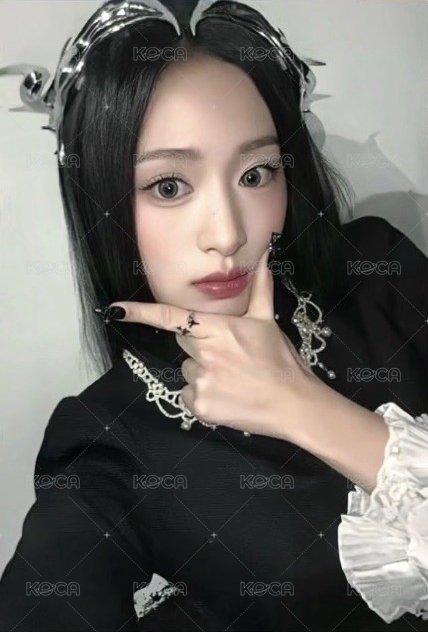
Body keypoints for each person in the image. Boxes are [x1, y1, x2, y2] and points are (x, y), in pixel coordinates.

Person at [0, 0, 427, 630]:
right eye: (169, 187)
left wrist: (300, 405)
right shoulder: (107, 439)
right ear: (102, 204)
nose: (228, 234)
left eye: (256, 174)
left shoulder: (376, 273)